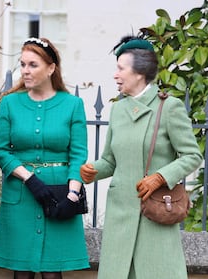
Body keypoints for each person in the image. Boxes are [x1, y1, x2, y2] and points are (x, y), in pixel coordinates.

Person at [80, 35, 203, 279]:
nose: (115, 75)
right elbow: (110, 161)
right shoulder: (117, 110)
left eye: (120, 68)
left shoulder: (169, 108)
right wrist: (92, 170)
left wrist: (160, 177)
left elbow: (192, 155)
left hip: (155, 217)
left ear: (139, 72)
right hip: (120, 219)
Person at [0, 37, 90, 279]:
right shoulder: (10, 103)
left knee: (52, 273)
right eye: (22, 64)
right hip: (21, 195)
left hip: (59, 194)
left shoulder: (73, 104)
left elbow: (78, 154)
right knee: (21, 272)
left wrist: (72, 194)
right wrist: (29, 178)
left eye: (32, 65)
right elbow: (1, 150)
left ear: (51, 68)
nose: (25, 71)